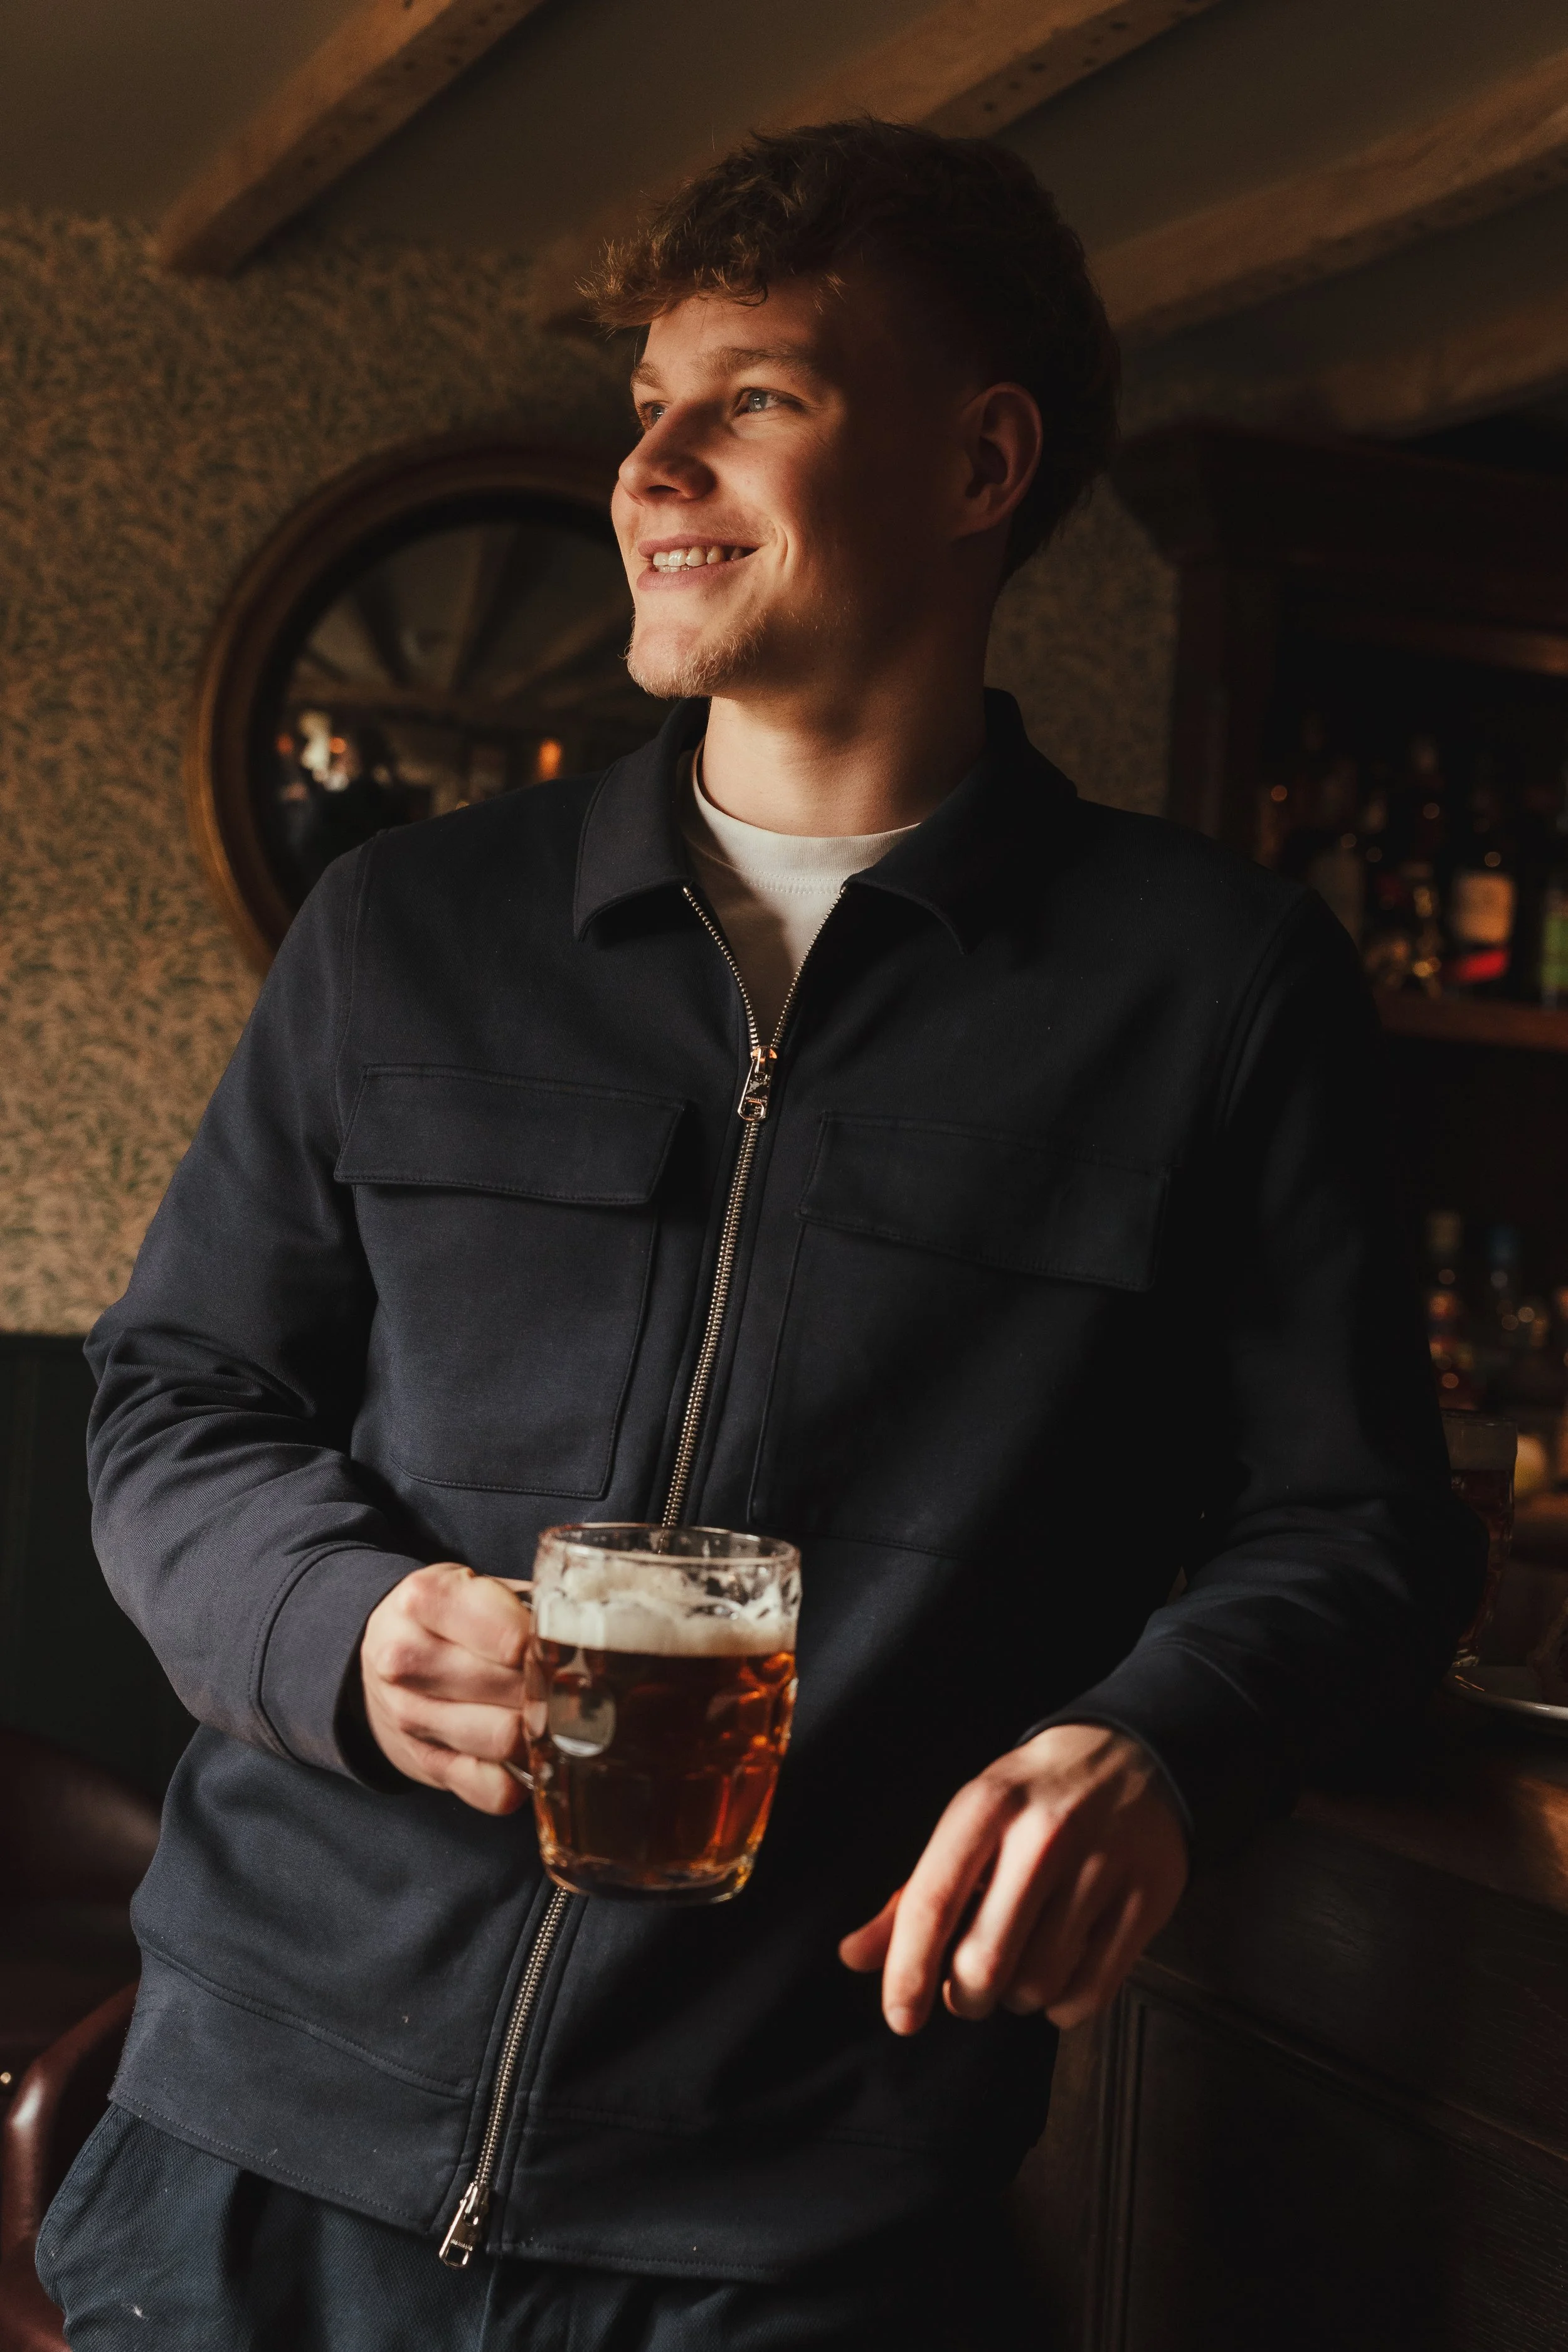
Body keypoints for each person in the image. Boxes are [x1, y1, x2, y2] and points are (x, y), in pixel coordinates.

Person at [41, 120, 1480, 2351]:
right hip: (257, 2161)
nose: (651, 466)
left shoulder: (1211, 990)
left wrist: (1166, 1744)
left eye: (756, 398)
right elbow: (173, 1402)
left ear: (983, 457)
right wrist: (337, 1620)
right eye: (648, 408)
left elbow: (1360, 1525)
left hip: (792, 2221)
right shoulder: (401, 932)